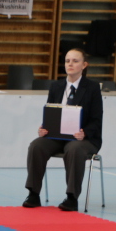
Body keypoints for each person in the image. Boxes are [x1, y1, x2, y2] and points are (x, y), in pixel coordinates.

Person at [22, 48, 103, 212]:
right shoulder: (56, 86)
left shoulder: (92, 88)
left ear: (84, 65)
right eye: (67, 61)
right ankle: (33, 194)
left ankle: (72, 197)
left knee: (74, 149)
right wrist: (44, 128)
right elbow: (51, 113)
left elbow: (96, 119)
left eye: (75, 61)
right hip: (57, 137)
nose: (70, 64)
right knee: (36, 145)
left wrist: (84, 133)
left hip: (84, 139)